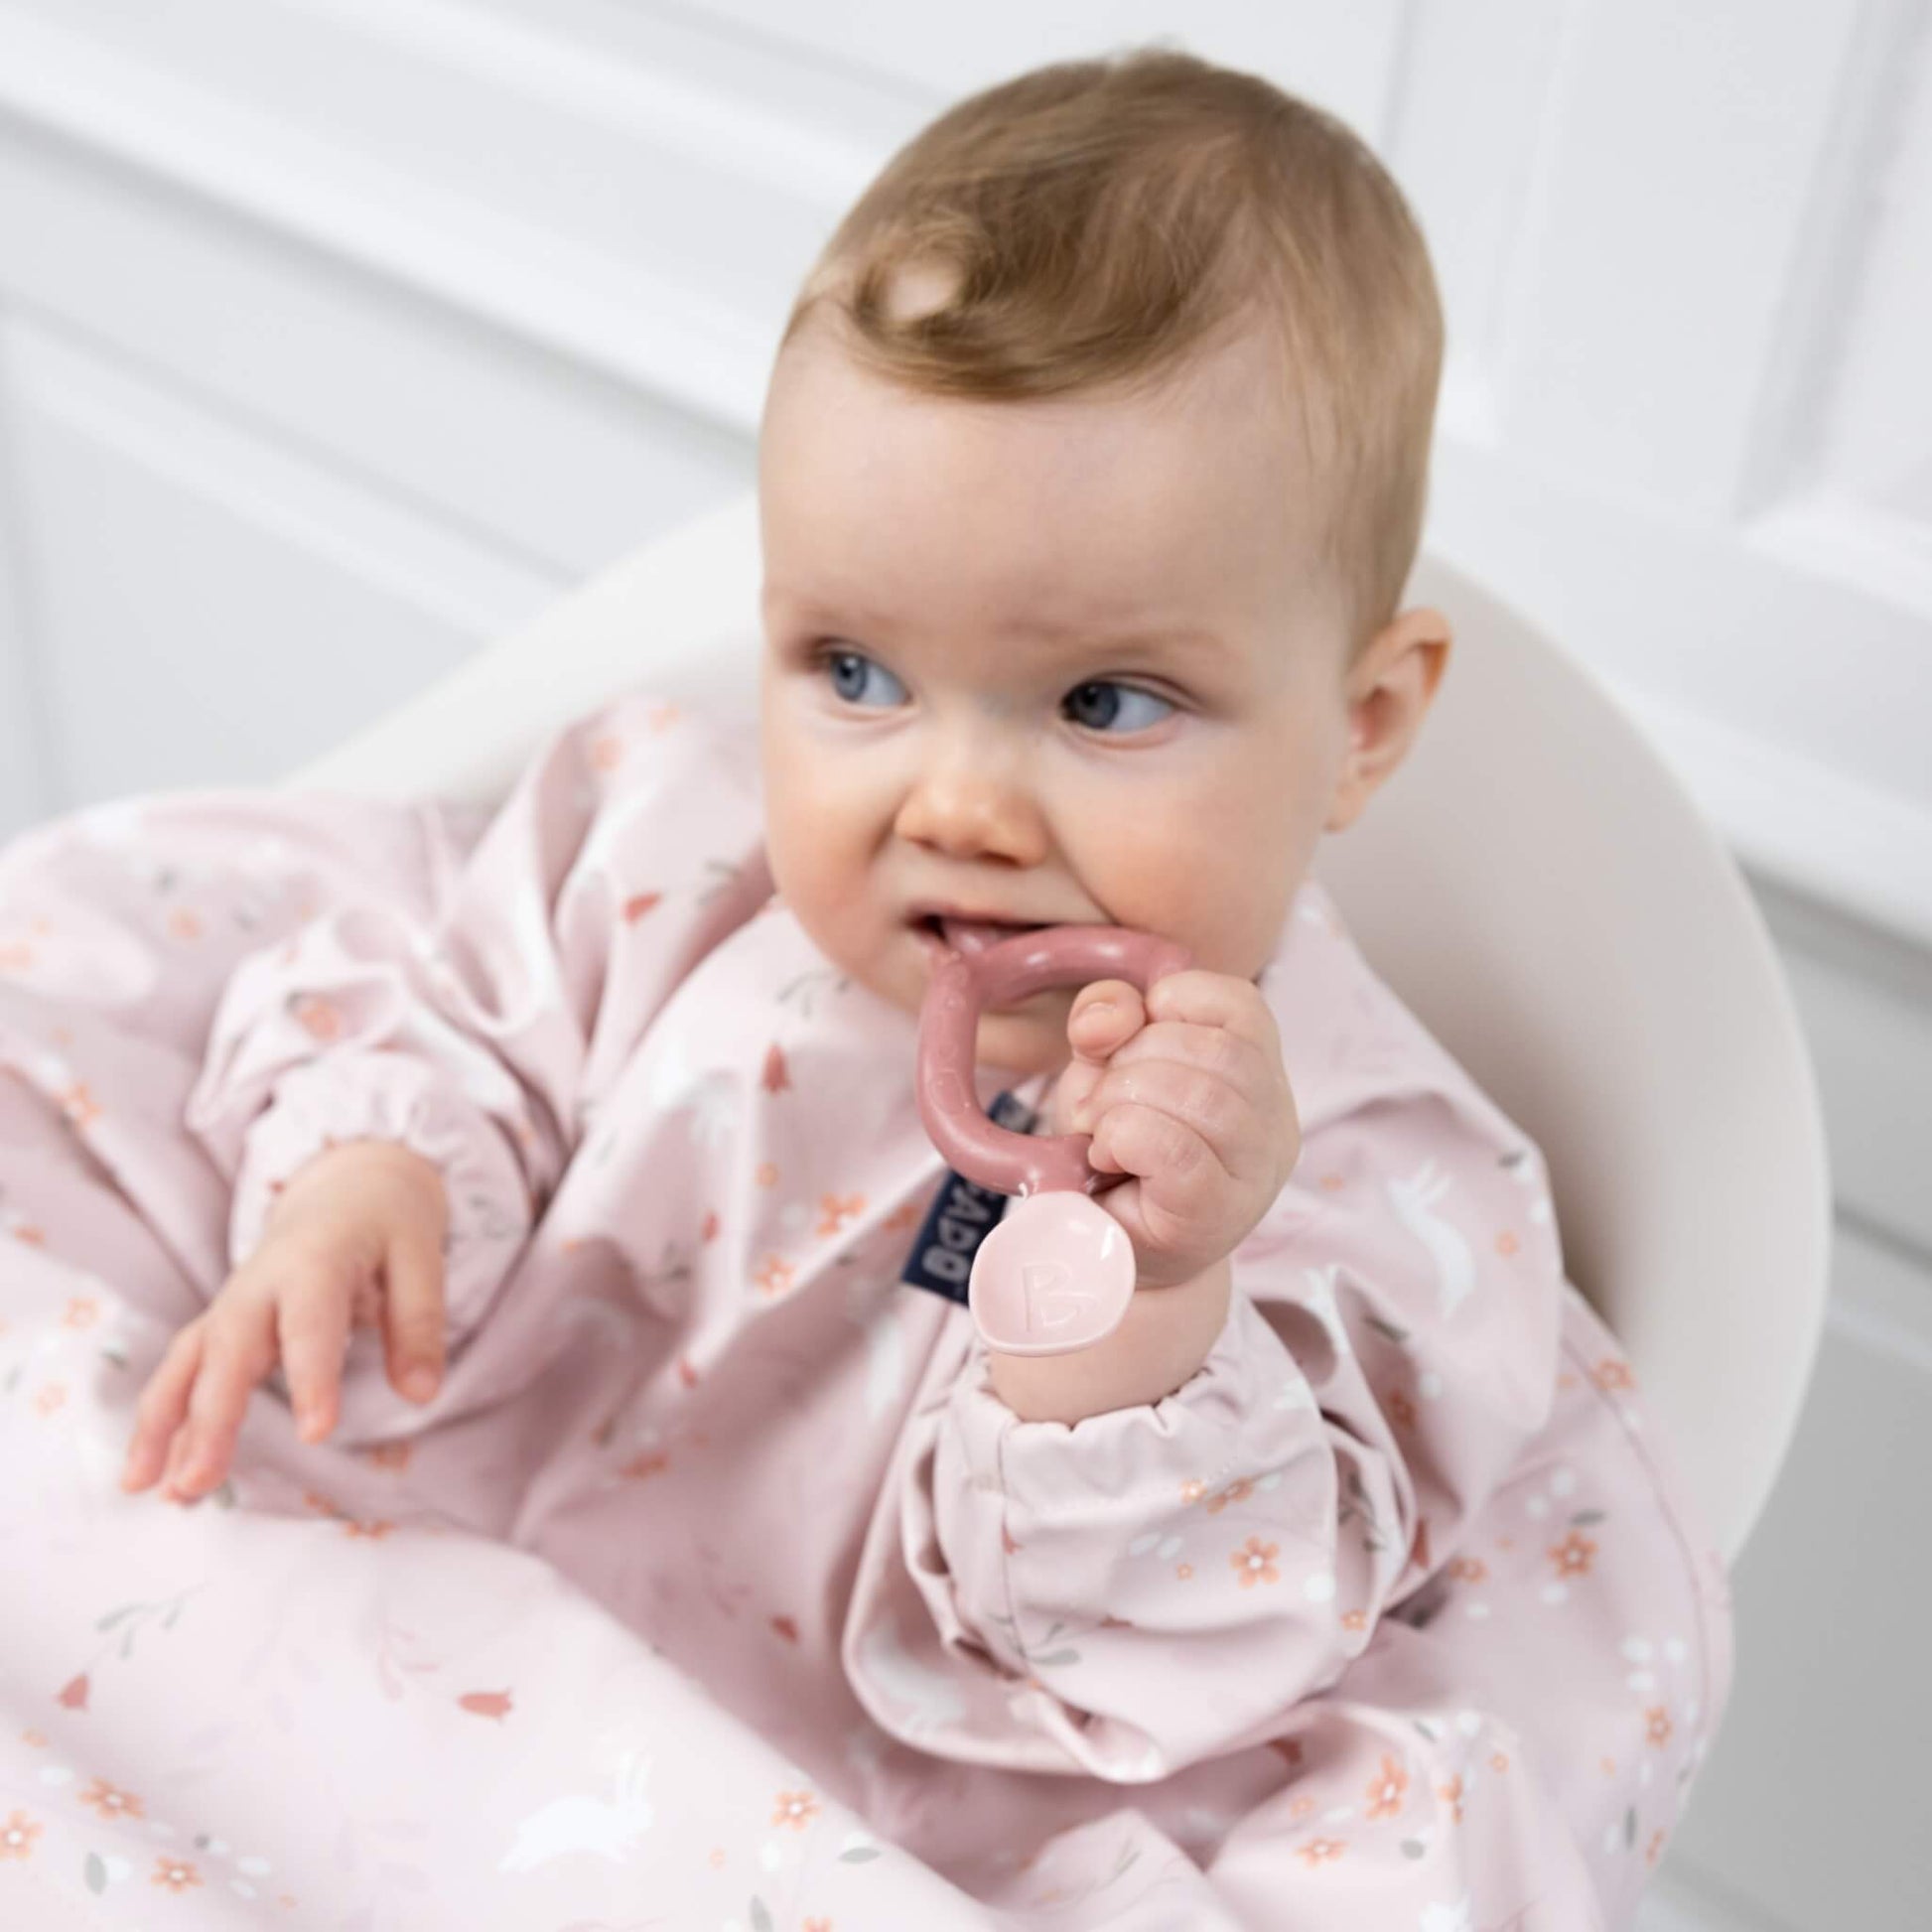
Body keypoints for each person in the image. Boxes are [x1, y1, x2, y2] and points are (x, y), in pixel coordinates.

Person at [2, 48, 1728, 1928]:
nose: (958, 803)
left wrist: (1141, 1314)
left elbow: (1189, 1654)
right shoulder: (674, 849)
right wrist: (374, 1174)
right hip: (409, 1577)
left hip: (830, 1788)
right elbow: (446, 996)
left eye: (1104, 702)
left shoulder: (1379, 1175)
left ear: (1361, 725)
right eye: (853, 668)